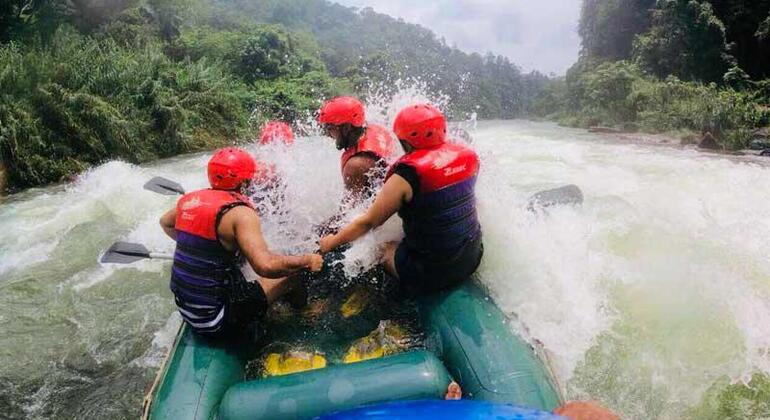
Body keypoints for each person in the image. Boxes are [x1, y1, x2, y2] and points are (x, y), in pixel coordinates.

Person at [319, 103, 483, 296]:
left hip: (432, 273)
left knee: (379, 248)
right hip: (473, 255)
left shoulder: (406, 174)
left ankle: (388, 298)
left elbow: (368, 222)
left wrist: (330, 243)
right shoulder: (469, 156)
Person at [159, 147, 323, 337]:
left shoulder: (190, 199)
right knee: (294, 274)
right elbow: (265, 266)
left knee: (241, 264)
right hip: (216, 320)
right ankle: (304, 311)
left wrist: (204, 247)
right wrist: (307, 260)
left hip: (186, 309)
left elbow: (166, 223)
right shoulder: (241, 213)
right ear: (245, 182)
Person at [318, 96, 398, 199]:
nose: (327, 134)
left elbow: (349, 212)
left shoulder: (355, 165)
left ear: (346, 127)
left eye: (329, 128)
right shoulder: (374, 129)